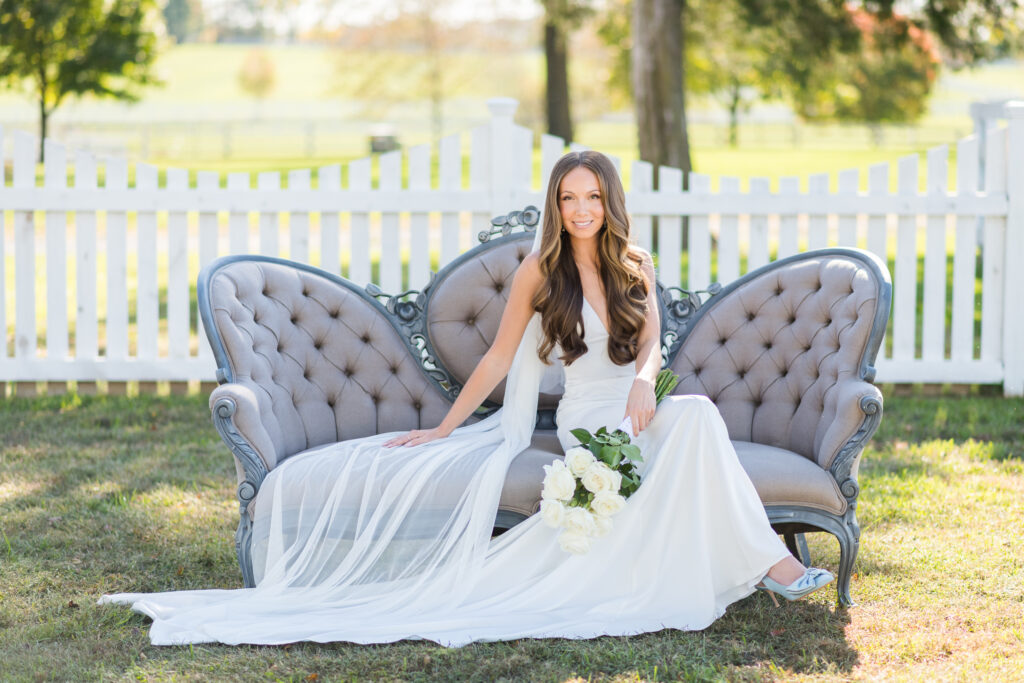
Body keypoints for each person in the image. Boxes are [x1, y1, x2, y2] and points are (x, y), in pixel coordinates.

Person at [102, 150, 832, 646]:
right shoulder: (539, 274)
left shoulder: (634, 263)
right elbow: (493, 359)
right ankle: (776, 567)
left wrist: (646, 381)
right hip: (587, 418)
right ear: (557, 204)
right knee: (698, 424)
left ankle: (770, 566)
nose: (580, 209)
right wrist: (447, 428)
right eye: (568, 198)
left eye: (592, 196)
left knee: (696, 414)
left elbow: (652, 343)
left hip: (638, 401)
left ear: (611, 201)